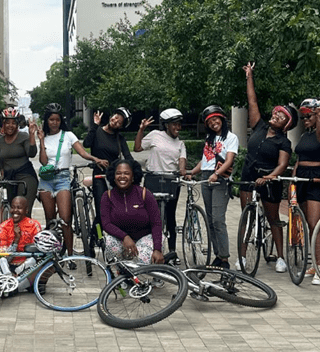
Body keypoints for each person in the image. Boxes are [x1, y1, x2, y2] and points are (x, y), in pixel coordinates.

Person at [238, 62, 296, 273]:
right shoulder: (259, 126)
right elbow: (252, 100)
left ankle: (280, 257)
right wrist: (249, 76)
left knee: (273, 219)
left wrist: (270, 177)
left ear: (286, 126)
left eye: (282, 117)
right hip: (248, 177)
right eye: (276, 113)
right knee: (247, 217)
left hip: (269, 182)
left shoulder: (284, 142)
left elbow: (282, 165)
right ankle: (242, 258)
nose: (276, 116)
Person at [37, 103, 103, 255]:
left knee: (66, 219)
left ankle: (70, 254)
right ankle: (54, 253)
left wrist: (95, 159)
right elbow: (43, 162)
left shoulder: (68, 135)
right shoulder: (44, 137)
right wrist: (41, 140)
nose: (54, 123)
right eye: (51, 120)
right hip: (46, 180)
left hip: (63, 178)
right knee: (50, 220)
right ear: (47, 121)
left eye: (57, 120)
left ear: (61, 121)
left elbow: (82, 153)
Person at [186, 105, 238, 270]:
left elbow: (229, 160)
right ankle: (217, 256)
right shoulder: (209, 139)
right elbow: (205, 160)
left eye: (216, 119)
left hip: (220, 179)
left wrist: (217, 174)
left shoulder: (231, 137)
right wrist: (191, 172)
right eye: (209, 121)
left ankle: (224, 258)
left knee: (217, 219)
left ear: (222, 119)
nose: (213, 123)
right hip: (206, 177)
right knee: (209, 219)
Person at [134, 108, 187, 257]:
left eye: (179, 125)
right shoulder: (155, 135)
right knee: (151, 215)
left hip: (171, 180)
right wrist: (141, 129)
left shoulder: (180, 143)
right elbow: (137, 148)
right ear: (166, 125)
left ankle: (172, 251)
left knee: (171, 216)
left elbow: (182, 161)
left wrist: (183, 171)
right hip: (153, 178)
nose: (177, 128)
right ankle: (149, 248)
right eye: (174, 125)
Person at [294, 98, 320, 285]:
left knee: (314, 222)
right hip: (300, 177)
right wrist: (292, 184)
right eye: (304, 117)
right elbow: (298, 159)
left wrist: (319, 117)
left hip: (317, 177)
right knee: (304, 223)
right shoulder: (304, 136)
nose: (305, 120)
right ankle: (312, 263)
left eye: (308, 116)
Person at [100, 159, 164, 265]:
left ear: (133, 176)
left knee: (142, 258)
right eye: (118, 173)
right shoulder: (107, 196)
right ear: (113, 176)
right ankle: (120, 275)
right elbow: (106, 224)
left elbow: (156, 223)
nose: (122, 176)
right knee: (110, 243)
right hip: (120, 238)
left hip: (144, 237)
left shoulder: (145, 194)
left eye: (126, 173)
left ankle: (143, 278)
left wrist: (157, 249)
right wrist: (125, 237)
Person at [83, 108, 132, 228]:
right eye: (115, 117)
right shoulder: (98, 131)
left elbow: (128, 157)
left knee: (119, 211)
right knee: (101, 212)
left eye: (119, 122)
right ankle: (95, 238)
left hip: (114, 176)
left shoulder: (120, 139)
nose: (115, 121)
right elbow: (86, 144)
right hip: (99, 175)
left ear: (121, 126)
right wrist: (95, 125)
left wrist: (134, 170)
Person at [0, 195, 42, 293]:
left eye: (19, 208)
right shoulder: (4, 226)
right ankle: (15, 283)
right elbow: (2, 254)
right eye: (13, 207)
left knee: (44, 262)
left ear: (26, 210)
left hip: (27, 266)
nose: (15, 211)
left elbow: (38, 250)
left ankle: (12, 288)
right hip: (7, 266)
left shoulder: (34, 225)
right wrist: (16, 240)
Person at [0, 107, 39, 217]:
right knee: (13, 212)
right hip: (9, 179)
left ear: (17, 124)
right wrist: (2, 175)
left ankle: (26, 234)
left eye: (13, 123)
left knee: (22, 212)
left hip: (25, 178)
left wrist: (31, 135)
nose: (10, 126)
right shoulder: (0, 141)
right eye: (7, 123)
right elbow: (0, 160)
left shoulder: (23, 137)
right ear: (3, 124)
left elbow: (32, 153)